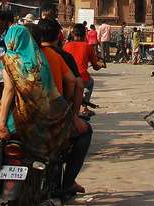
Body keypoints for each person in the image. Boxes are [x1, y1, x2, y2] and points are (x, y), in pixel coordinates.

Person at [0, 24, 73, 206]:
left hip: (16, 122)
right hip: (41, 122)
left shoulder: (10, 59)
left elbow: (9, 90)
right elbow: (51, 93)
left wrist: (1, 122)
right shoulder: (41, 60)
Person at [37, 18, 91, 199]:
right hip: (55, 114)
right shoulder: (58, 56)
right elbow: (76, 84)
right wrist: (73, 113)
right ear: (59, 36)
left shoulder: (15, 57)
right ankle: (68, 182)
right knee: (85, 132)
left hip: (22, 117)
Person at [64, 23, 105, 111]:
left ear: (73, 34)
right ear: (85, 34)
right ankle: (84, 105)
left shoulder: (66, 46)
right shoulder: (88, 47)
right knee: (91, 82)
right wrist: (100, 65)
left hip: (67, 78)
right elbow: (95, 67)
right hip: (82, 78)